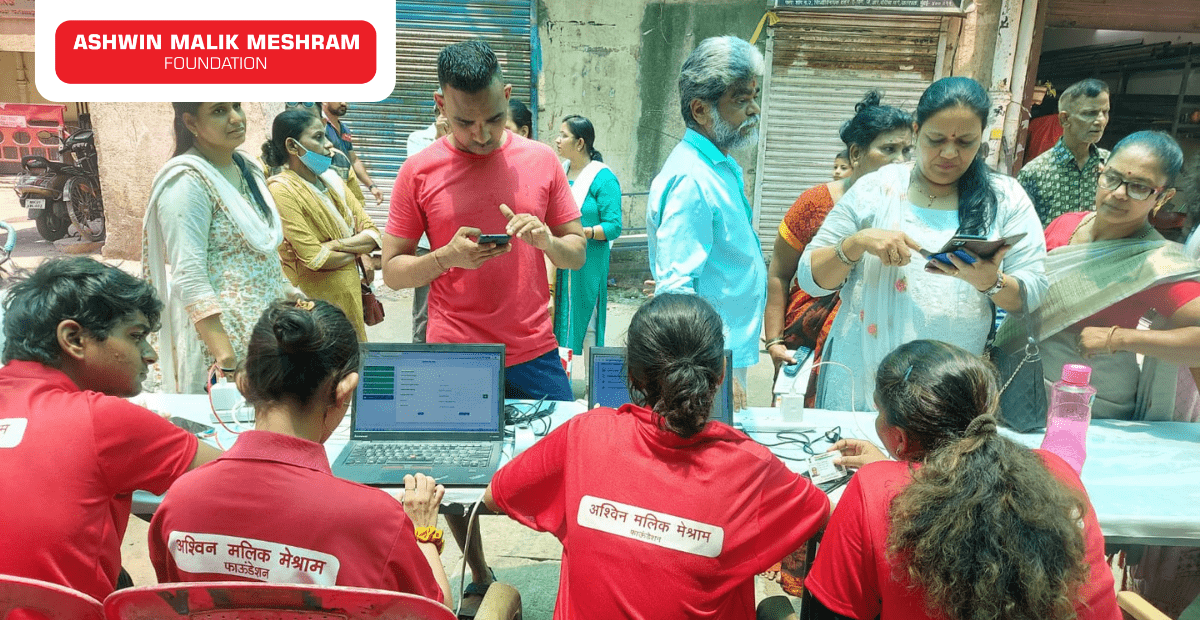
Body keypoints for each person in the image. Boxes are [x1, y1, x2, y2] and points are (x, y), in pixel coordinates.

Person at [382, 39, 585, 608]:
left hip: (535, 350)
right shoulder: (419, 170)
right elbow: (394, 272)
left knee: (570, 470)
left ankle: (579, 568)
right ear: (441, 105)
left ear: (510, 98)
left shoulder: (541, 160)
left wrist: (548, 240)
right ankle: (477, 570)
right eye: (465, 121)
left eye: (494, 118)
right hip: (455, 356)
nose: (482, 134)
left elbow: (576, 254)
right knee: (449, 483)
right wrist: (445, 257)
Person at [483, 294, 830, 619]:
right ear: (721, 376)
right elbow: (824, 514)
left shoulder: (584, 434)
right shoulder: (751, 468)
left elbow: (496, 495)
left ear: (632, 376)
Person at [1004, 130, 1200, 618]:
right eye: (1114, 178)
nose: (1119, 193)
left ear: (1163, 197)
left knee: (1073, 523)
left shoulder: (1157, 263)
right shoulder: (1066, 225)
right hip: (1020, 396)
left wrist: (1120, 338)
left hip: (1092, 412)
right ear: (1101, 171)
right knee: (1015, 514)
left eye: (1139, 187)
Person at [148, 299, 451, 606]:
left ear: (243, 382)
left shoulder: (179, 502)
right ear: (343, 390)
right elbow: (437, 611)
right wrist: (423, 531)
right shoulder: (376, 519)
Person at [803, 339, 1120, 620]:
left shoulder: (873, 490)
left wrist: (886, 474)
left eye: (879, 411)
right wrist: (892, 471)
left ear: (899, 438)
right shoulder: (1056, 471)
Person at [796, 77, 1047, 411]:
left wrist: (991, 281)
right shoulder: (876, 188)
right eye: (936, 139)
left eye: (965, 142)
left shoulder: (1005, 198)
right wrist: (855, 244)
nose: (949, 153)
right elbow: (811, 278)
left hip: (949, 384)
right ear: (916, 131)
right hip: (862, 374)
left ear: (982, 138)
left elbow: (1033, 294)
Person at [0, 257, 220, 602]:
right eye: (136, 336)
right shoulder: (103, 420)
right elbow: (241, 479)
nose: (149, 355)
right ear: (74, 339)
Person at [764, 91, 913, 408]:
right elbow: (779, 273)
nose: (900, 161)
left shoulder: (911, 207)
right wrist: (775, 341)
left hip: (872, 342)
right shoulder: (815, 204)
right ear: (857, 153)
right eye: (889, 149)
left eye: (906, 150)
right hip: (804, 341)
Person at [143, 102, 297, 394]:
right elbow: (189, 275)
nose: (236, 118)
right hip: (224, 341)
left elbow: (260, 253)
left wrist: (290, 293)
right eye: (219, 111)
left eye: (237, 106)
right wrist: (226, 358)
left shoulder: (246, 167)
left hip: (268, 333)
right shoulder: (186, 182)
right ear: (190, 123)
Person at [647, 35, 766, 410]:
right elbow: (677, 288)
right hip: (713, 359)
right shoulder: (692, 180)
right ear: (700, 109)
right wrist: (713, 370)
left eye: (754, 96)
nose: (754, 109)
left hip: (726, 352)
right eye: (740, 100)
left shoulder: (719, 165)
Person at [262, 110, 382, 341]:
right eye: (318, 137)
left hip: (350, 298)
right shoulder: (281, 189)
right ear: (293, 146)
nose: (329, 145)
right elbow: (315, 258)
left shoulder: (333, 180)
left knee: (353, 365)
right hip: (315, 305)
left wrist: (335, 245)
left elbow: (374, 235)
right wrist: (357, 249)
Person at [552, 114, 622, 353]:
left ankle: (593, 384)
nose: (557, 140)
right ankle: (564, 381)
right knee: (560, 318)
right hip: (560, 256)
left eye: (564, 135)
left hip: (589, 260)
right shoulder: (560, 173)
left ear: (580, 143)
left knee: (586, 319)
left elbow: (614, 226)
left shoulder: (602, 177)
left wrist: (585, 232)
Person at [1018, 78, 1111, 226]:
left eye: (1105, 112)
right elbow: (1020, 231)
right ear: (1064, 119)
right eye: (1090, 113)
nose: (1100, 120)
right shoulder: (1034, 173)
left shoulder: (1112, 167)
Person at [404, 100, 451, 344]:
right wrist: (441, 142)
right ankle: (419, 351)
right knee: (424, 305)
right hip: (427, 240)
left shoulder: (469, 142)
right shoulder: (418, 139)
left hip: (457, 239)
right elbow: (419, 176)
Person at [322, 102, 384, 206]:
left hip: (341, 192)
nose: (344, 103)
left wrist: (372, 186)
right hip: (325, 194)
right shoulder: (317, 125)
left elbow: (353, 160)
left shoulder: (345, 129)